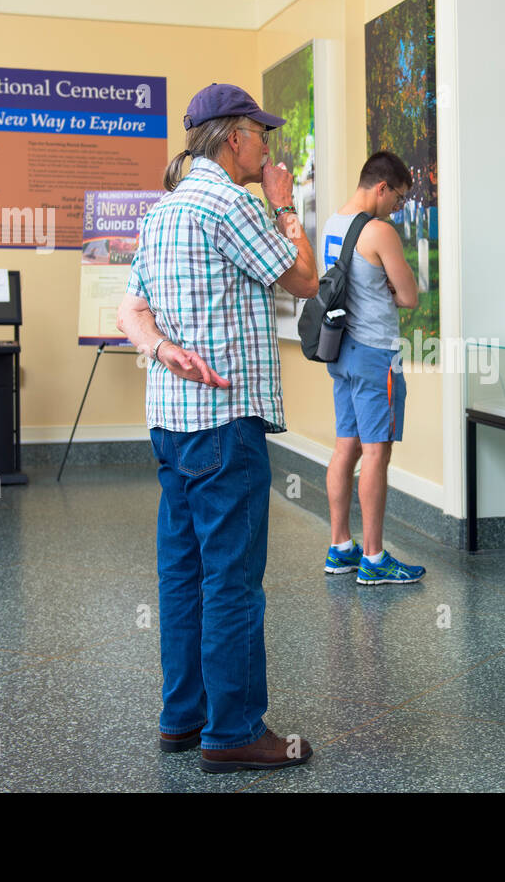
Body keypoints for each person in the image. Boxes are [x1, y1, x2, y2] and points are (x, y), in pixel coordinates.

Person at [116, 83, 319, 774]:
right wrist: (285, 199)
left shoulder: (164, 210)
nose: (269, 147)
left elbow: (129, 309)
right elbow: (305, 279)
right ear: (234, 137)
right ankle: (232, 730)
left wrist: (158, 349)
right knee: (231, 576)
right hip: (223, 423)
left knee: (184, 572)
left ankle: (183, 715)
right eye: (262, 134)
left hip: (170, 425)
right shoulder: (231, 202)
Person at [321, 152, 426, 586]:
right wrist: (392, 281)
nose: (398, 207)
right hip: (375, 354)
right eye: (399, 198)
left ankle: (340, 547)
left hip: (341, 351)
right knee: (377, 452)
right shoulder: (379, 231)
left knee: (347, 445)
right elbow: (410, 296)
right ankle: (374, 557)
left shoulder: (331, 223)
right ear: (380, 187)